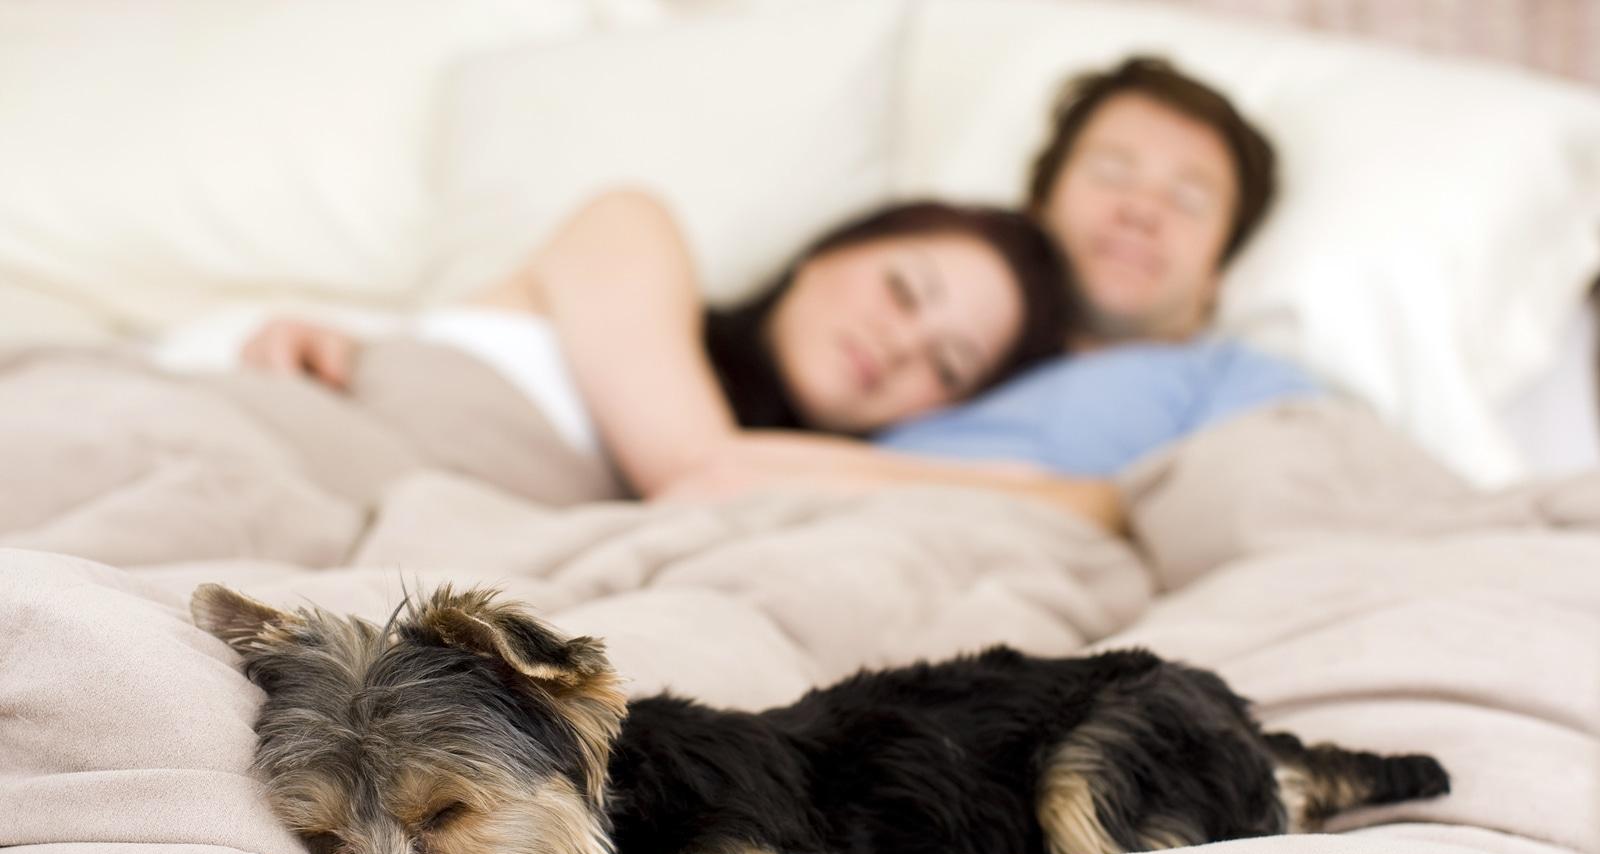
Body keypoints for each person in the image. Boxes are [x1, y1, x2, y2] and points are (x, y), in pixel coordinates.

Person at [241, 194, 1123, 530]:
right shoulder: (638, 227)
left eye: (949, 363)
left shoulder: (779, 490)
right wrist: (1049, 492)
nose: (899, 346)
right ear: (829, 251)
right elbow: (702, 468)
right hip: (266, 439)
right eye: (903, 289)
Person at [878, 56, 1323, 476]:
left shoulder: (1248, 387)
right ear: (1038, 204)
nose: (1142, 210)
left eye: (1188, 201)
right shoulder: (934, 348)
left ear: (1217, 272)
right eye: (1112, 172)